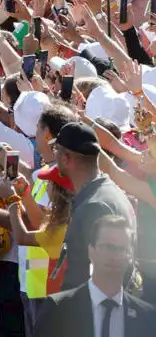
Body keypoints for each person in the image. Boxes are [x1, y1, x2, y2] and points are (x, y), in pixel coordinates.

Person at [34, 214, 156, 337]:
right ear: (91, 251)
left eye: (123, 249)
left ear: (130, 256)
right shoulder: (59, 309)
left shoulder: (146, 316)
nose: (115, 256)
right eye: (108, 247)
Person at [55, 121, 137, 291]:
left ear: (66, 158)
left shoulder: (94, 206)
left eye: (56, 150)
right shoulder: (107, 192)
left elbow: (88, 282)